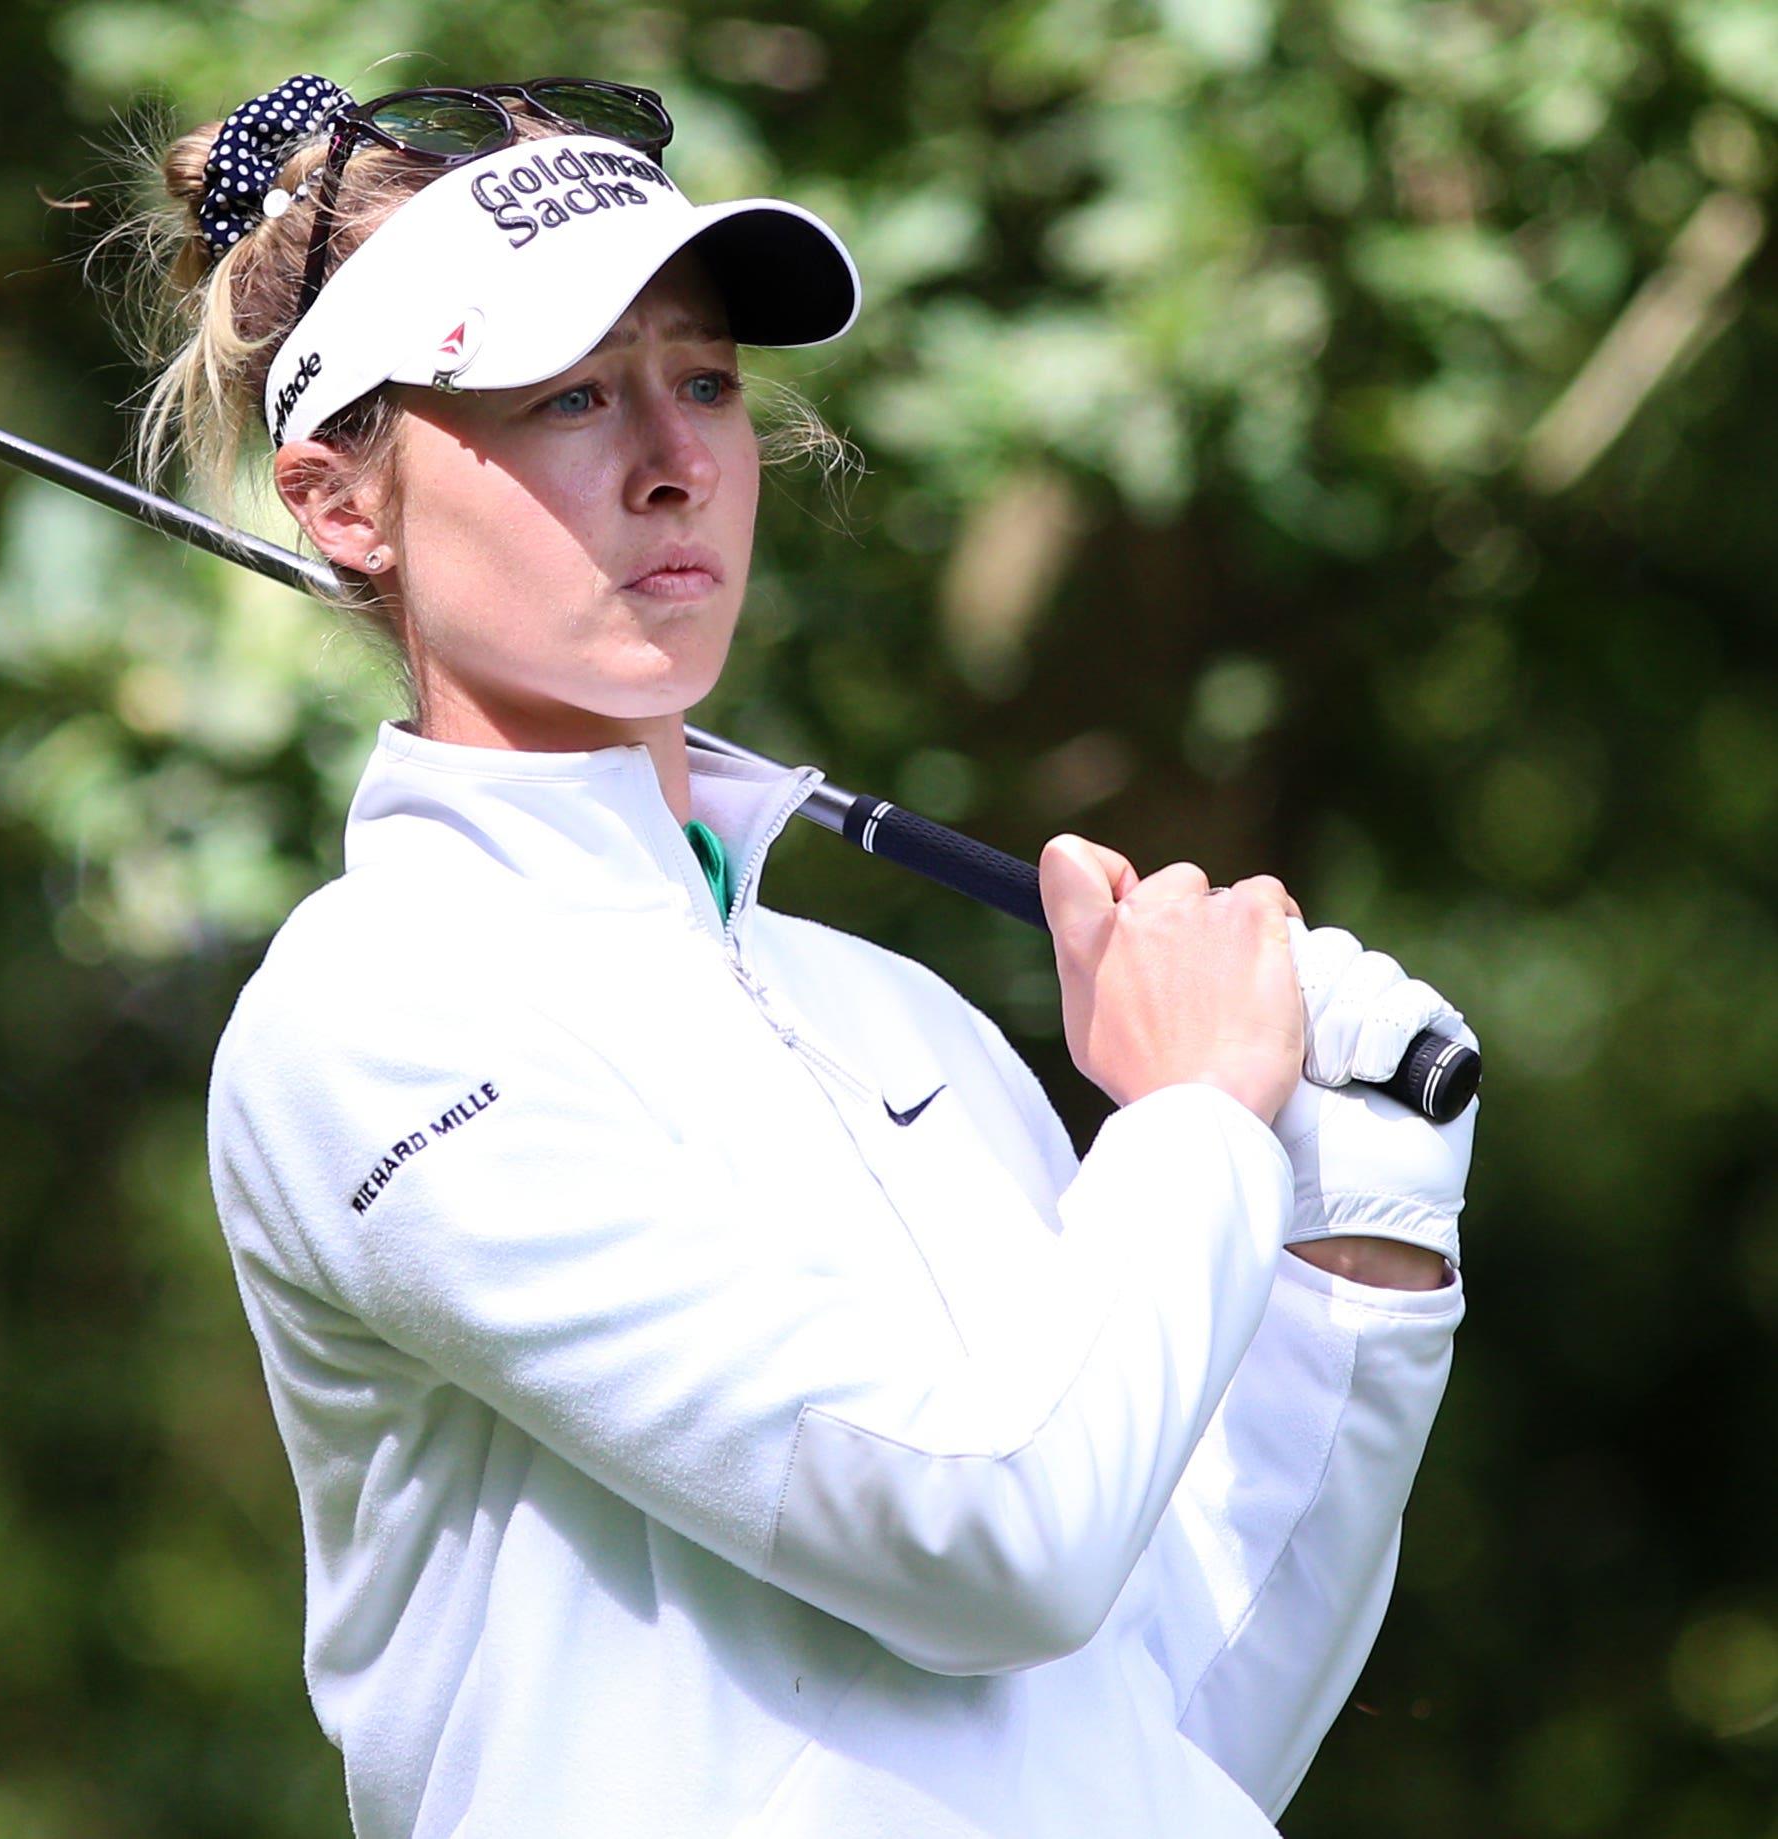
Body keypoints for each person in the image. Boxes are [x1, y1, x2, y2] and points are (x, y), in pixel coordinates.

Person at [129, 70, 1480, 1839]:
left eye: (701, 381)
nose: (675, 461)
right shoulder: (377, 1011)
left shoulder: (898, 1015)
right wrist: (1194, 1126)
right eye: (568, 396)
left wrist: (1348, 1240)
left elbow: (1161, 1737)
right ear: (339, 503)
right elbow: (991, 1539)